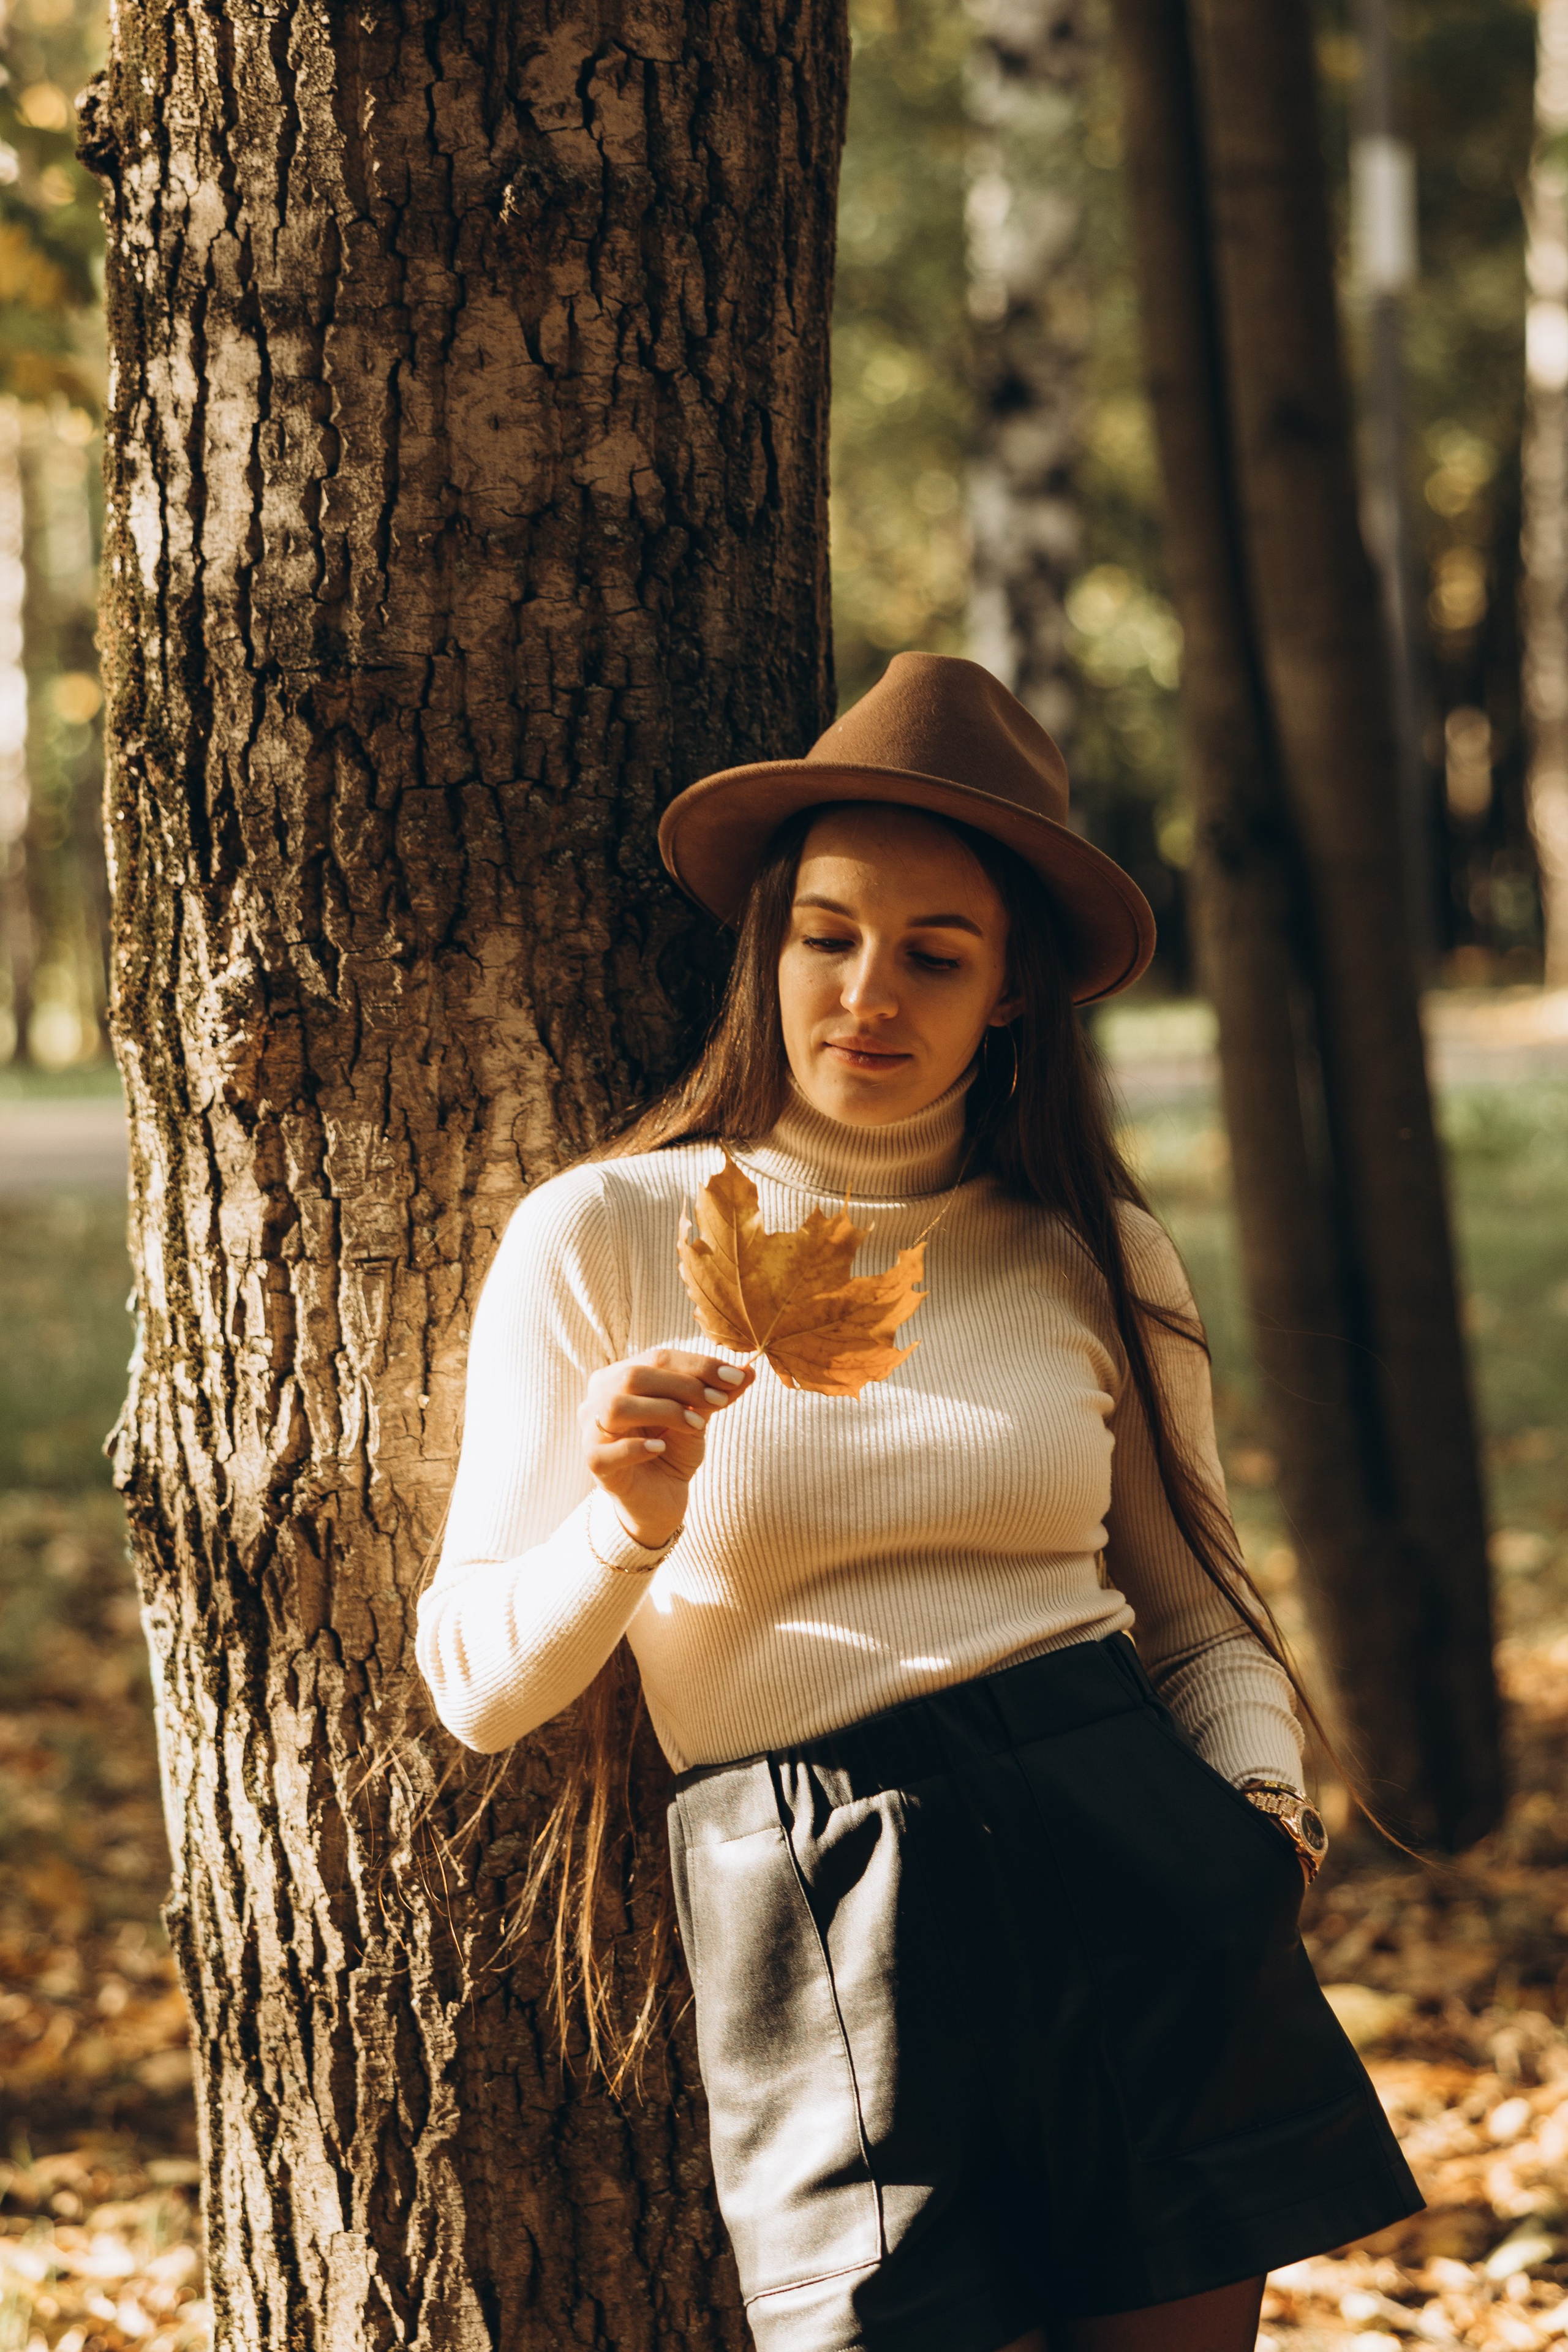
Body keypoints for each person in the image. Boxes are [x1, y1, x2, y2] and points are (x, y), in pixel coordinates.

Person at [417, 654, 1421, 2352]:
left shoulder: (1091, 1252)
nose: (869, 992)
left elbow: (1199, 1617)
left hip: (1129, 1859)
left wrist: (1254, 1829)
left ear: (1013, 992)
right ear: (771, 945)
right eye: (828, 934)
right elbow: (477, 1684)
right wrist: (625, 1525)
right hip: (821, 1902)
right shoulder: (601, 1235)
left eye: (936, 954)